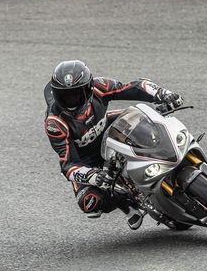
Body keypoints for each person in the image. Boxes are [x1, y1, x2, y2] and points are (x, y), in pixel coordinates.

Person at [43, 60, 184, 229]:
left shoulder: (100, 86)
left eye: (76, 95)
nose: (71, 101)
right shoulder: (55, 123)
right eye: (65, 96)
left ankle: (170, 152)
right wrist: (92, 176)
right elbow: (68, 165)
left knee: (145, 116)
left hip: (109, 128)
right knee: (89, 204)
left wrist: (163, 94)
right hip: (86, 160)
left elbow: (135, 87)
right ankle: (127, 206)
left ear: (89, 89)